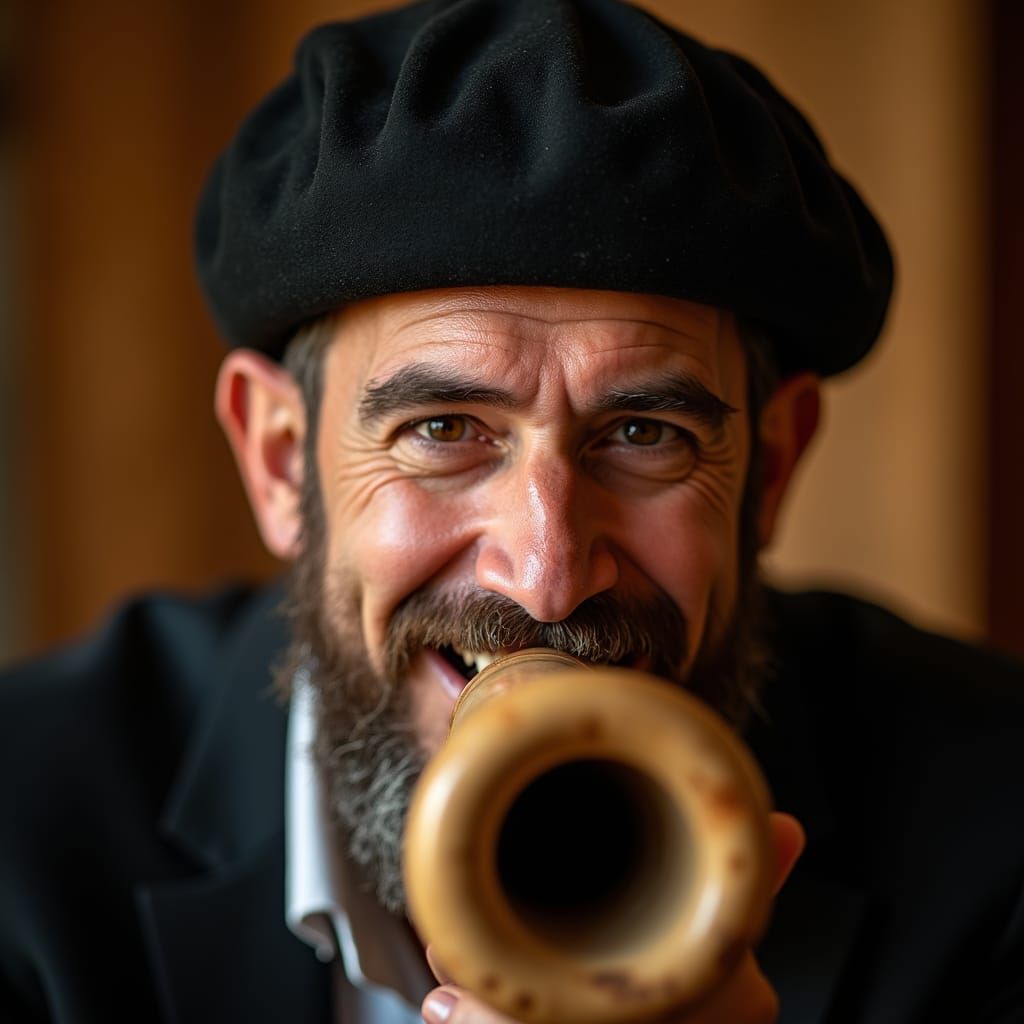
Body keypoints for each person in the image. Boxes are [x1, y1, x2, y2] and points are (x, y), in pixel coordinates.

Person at [2, 1, 1022, 1021]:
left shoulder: (997, 824)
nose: (546, 573)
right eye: (444, 430)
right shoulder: (22, 840)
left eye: (642, 435)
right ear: (279, 464)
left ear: (770, 472)